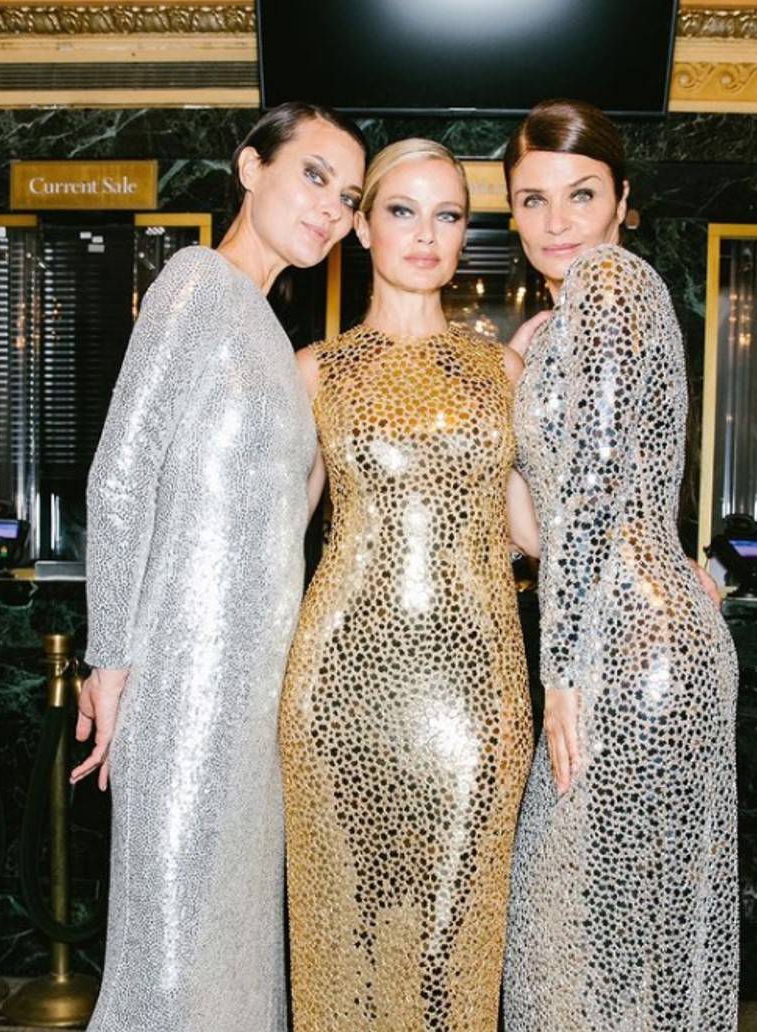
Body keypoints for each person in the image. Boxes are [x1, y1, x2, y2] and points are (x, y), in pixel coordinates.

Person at [69, 102, 367, 1032]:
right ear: (249, 167)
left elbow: (283, 520)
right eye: (313, 175)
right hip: (184, 679)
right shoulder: (196, 282)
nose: (331, 208)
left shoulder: (272, 335)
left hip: (257, 689)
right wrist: (109, 659)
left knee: (231, 951)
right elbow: (121, 474)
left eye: (348, 195)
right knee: (172, 950)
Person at [279, 139, 533, 1032]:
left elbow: (536, 531)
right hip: (337, 692)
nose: (425, 235)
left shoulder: (502, 371)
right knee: (343, 942)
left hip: (476, 695)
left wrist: (654, 550)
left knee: (453, 947)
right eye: (401, 211)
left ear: (465, 234)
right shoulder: (315, 370)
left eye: (447, 215)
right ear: (360, 226)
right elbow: (273, 535)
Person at [501, 99, 739, 1031]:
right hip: (624, 636)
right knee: (601, 933)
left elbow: (596, 488)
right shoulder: (556, 330)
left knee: (591, 934)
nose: (556, 222)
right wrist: (513, 386)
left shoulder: (609, 282)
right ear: (511, 211)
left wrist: (561, 673)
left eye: (581, 194)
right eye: (533, 199)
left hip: (631, 653)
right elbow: (536, 531)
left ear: (621, 200)